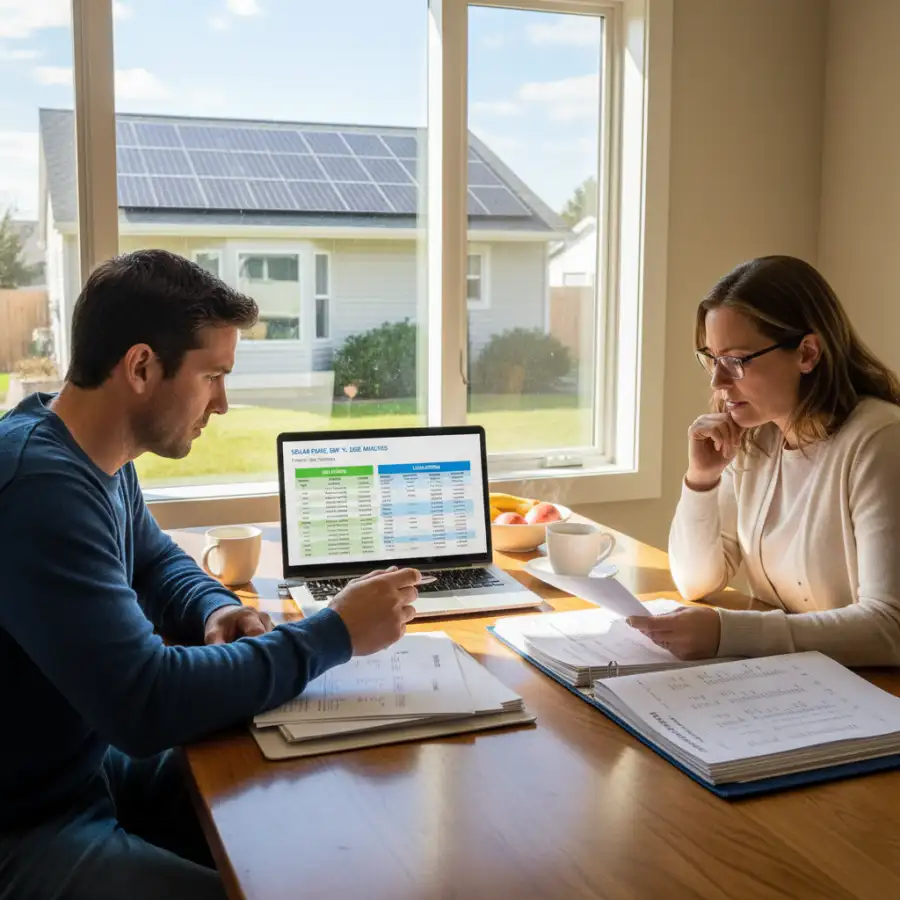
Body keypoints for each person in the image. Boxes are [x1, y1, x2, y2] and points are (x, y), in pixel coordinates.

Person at [0, 249, 423, 900]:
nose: (222, 403)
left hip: (81, 770)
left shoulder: (92, 454)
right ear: (141, 366)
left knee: (293, 817)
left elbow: (152, 557)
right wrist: (334, 633)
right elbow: (146, 702)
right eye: (212, 376)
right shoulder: (37, 486)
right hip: (28, 823)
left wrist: (212, 608)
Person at [627, 255, 900, 665]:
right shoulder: (760, 437)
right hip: (792, 678)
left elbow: (888, 627)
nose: (718, 382)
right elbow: (695, 582)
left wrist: (727, 633)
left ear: (807, 353)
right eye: (712, 359)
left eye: (736, 360)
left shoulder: (879, 441)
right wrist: (702, 479)